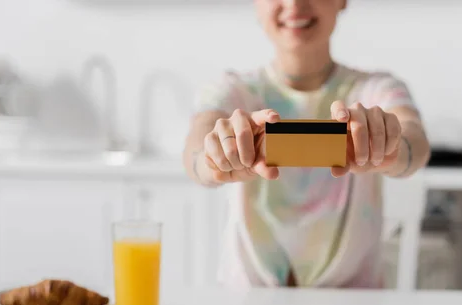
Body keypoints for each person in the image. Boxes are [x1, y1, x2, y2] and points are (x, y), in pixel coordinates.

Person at [183, 0, 430, 289]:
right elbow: (197, 145)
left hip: (356, 303)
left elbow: (414, 140)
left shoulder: (377, 88)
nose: (295, 4)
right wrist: (211, 160)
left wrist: (395, 148)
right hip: (248, 301)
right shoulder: (232, 90)